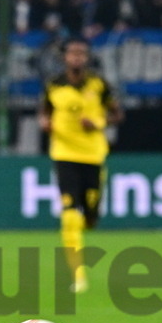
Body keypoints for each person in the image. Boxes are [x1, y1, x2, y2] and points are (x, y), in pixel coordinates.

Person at [37, 37, 123, 294]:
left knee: (90, 217)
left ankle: (89, 215)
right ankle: (78, 275)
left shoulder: (99, 85)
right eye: (72, 53)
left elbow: (117, 114)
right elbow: (43, 112)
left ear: (87, 57)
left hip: (93, 156)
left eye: (81, 53)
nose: (76, 57)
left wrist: (98, 123)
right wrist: (45, 122)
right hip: (64, 154)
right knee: (69, 215)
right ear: (64, 57)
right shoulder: (53, 85)